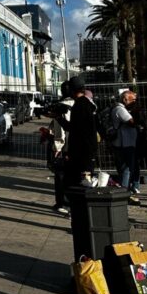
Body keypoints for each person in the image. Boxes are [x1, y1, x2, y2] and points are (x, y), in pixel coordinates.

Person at [43, 81, 74, 214]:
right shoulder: (78, 104)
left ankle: (63, 203)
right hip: (74, 143)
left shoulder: (62, 106)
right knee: (70, 175)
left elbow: (60, 129)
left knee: (61, 176)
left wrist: (57, 147)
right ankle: (66, 202)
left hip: (64, 145)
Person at [63, 76, 98, 187]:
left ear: (72, 90)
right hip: (86, 150)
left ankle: (81, 203)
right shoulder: (87, 103)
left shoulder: (79, 106)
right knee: (83, 181)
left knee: (82, 183)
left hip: (82, 152)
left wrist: (59, 118)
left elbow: (74, 128)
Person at [112, 89, 142, 204]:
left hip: (126, 142)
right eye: (133, 100)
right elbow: (132, 122)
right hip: (124, 143)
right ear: (125, 99)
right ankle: (125, 193)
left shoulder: (122, 108)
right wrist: (136, 113)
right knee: (127, 169)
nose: (135, 102)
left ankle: (129, 190)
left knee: (128, 168)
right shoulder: (120, 109)